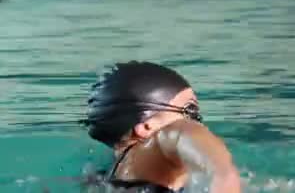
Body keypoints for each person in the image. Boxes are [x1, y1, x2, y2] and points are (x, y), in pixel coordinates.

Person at [83, 61, 241, 193]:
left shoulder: (113, 172)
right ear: (146, 127)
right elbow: (180, 134)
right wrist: (223, 174)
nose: (197, 122)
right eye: (190, 111)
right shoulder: (152, 146)